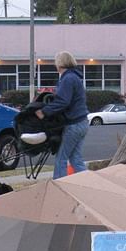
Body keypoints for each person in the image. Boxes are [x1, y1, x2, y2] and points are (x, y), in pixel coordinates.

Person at [35, 51, 89, 179]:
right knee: (76, 158)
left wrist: (44, 111)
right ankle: (89, 182)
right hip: (82, 122)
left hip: (73, 124)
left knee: (61, 159)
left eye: (56, 61)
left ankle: (59, 187)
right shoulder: (74, 77)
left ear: (60, 63)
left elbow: (63, 101)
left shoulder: (68, 79)